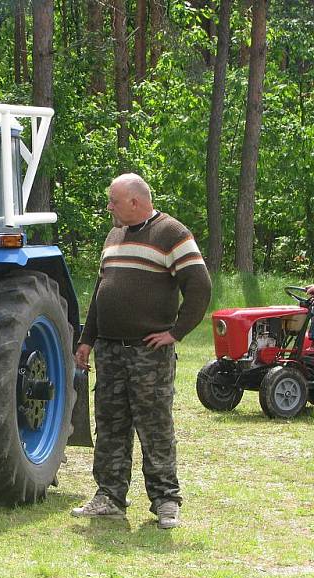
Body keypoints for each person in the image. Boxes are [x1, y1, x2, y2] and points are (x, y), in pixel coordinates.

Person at [72, 173, 211, 529]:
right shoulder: (114, 235)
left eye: (114, 201)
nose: (109, 207)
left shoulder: (172, 234)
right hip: (110, 351)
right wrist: (87, 340)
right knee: (111, 425)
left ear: (135, 201)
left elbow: (200, 287)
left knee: (155, 426)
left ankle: (166, 501)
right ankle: (109, 497)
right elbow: (103, 293)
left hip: (148, 353)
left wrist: (175, 333)